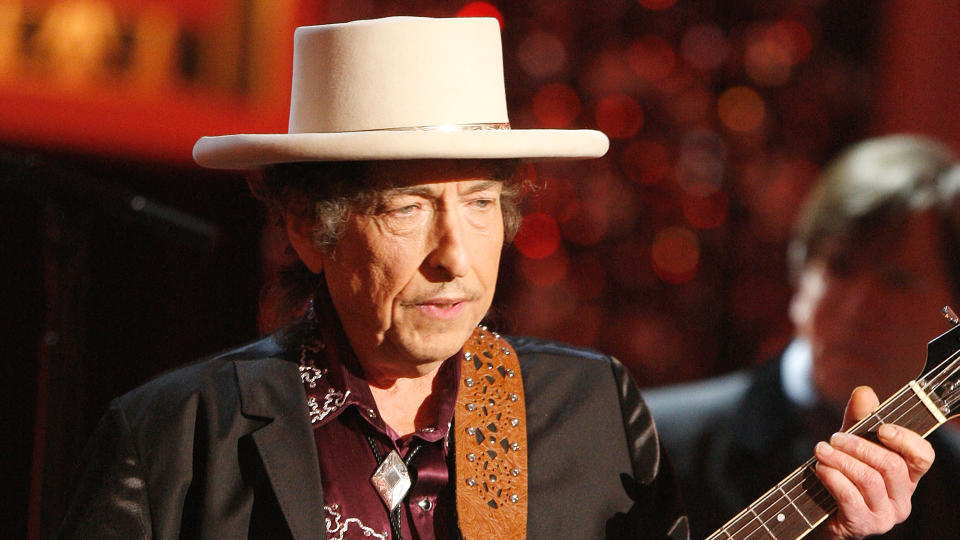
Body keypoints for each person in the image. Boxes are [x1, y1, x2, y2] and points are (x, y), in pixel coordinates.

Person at [57, 17, 933, 540]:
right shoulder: (174, 435)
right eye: (407, 209)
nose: (456, 254)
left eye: (480, 205)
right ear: (307, 230)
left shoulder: (591, 409)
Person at [643, 134, 960, 539]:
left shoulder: (953, 495)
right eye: (840, 267)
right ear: (801, 267)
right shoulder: (650, 442)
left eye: (897, 281)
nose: (857, 308)